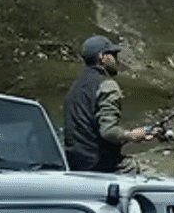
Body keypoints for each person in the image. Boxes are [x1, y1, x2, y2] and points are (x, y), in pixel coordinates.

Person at [63, 35, 168, 173]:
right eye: (113, 55)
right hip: (102, 166)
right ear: (101, 56)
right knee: (156, 179)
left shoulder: (74, 88)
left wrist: (142, 133)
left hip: (76, 165)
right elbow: (108, 132)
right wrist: (131, 135)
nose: (117, 60)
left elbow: (89, 131)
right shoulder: (107, 85)